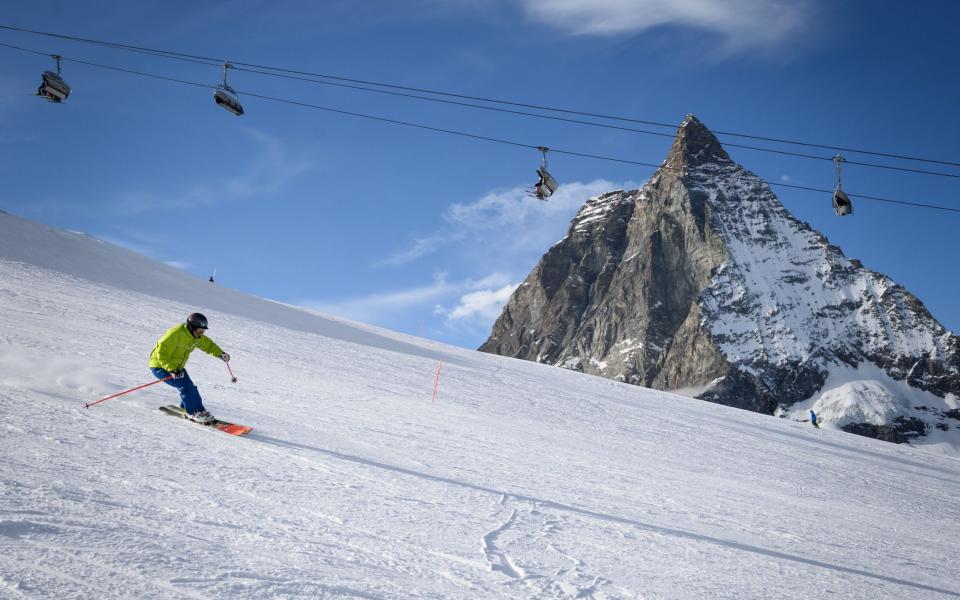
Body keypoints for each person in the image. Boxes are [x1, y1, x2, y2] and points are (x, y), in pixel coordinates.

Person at [149, 312, 230, 424]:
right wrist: (171, 369)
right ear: (192, 327)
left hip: (177, 367)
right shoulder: (175, 334)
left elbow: (208, 345)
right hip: (161, 366)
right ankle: (192, 412)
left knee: (191, 387)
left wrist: (220, 354)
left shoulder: (196, 336)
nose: (202, 333)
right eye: (200, 330)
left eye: (203, 330)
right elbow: (162, 353)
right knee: (186, 387)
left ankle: (199, 410)